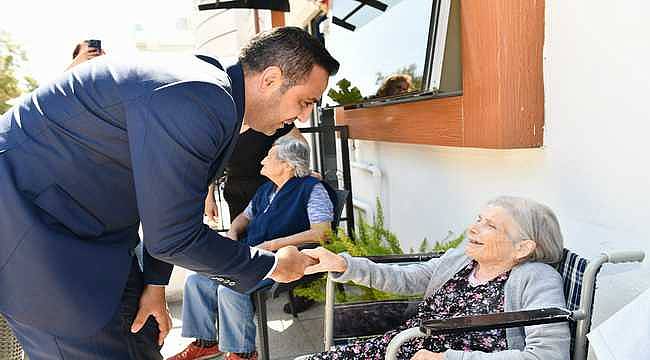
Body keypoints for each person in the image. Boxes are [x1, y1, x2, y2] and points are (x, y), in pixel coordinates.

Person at [0, 27, 339, 359]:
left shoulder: (211, 91)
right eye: (305, 101)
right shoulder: (200, 99)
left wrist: (155, 285)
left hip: (86, 232)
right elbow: (173, 237)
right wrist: (271, 266)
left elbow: (176, 213)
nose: (304, 115)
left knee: (139, 335)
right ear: (270, 79)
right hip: (35, 235)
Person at [302, 196, 570, 360]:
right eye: (479, 218)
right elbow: (406, 278)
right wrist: (344, 264)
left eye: (490, 225)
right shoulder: (462, 261)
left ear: (523, 247)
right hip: (396, 348)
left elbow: (548, 355)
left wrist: (449, 358)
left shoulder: (536, 278)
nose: (473, 228)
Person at [169, 136, 336, 360]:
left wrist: (274, 244)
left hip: (283, 260)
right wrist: (232, 233)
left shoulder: (312, 190)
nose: (263, 160)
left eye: (270, 156)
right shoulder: (266, 190)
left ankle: (243, 353)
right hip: (252, 254)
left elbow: (322, 233)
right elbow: (243, 218)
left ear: (287, 164)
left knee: (230, 288)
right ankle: (206, 342)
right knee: (196, 281)